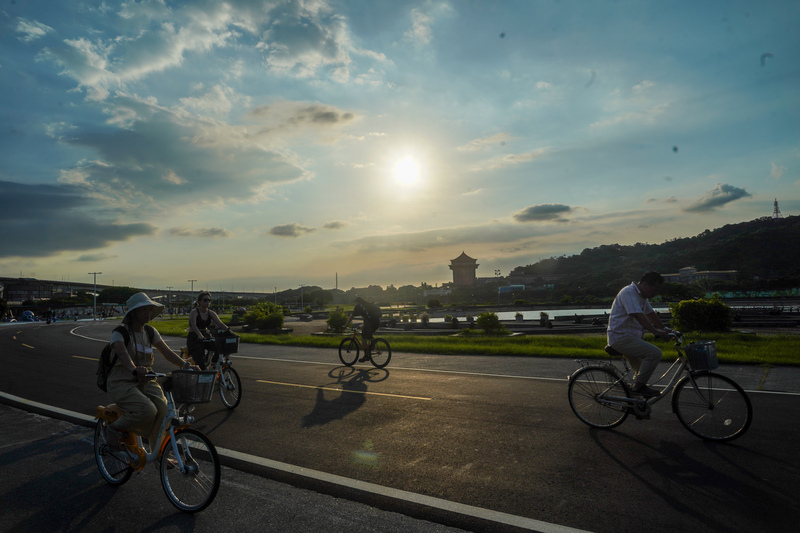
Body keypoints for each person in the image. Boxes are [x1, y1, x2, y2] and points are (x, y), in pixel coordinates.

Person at [106, 292, 197, 451]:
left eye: (150, 310)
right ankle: (112, 428)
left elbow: (167, 352)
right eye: (144, 310)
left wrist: (186, 365)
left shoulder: (150, 331)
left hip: (147, 379)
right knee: (147, 409)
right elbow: (122, 353)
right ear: (133, 312)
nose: (148, 313)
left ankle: (157, 453)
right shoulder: (120, 332)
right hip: (122, 382)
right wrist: (134, 369)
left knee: (164, 410)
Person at [607, 271, 671, 397]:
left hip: (630, 339)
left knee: (641, 374)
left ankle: (633, 404)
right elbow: (637, 314)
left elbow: (650, 314)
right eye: (654, 289)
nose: (656, 293)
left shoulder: (642, 296)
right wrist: (655, 331)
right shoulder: (628, 292)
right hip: (620, 338)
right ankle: (638, 388)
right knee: (654, 353)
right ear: (645, 285)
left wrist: (665, 329)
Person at [186, 291, 232, 369]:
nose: (207, 302)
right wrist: (199, 335)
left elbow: (220, 323)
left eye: (209, 300)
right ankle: (202, 372)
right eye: (205, 300)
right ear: (199, 302)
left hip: (205, 334)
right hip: (194, 336)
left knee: (219, 347)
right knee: (200, 360)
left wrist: (229, 332)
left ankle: (213, 363)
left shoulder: (211, 313)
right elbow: (193, 325)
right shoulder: (194, 312)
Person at [344, 296, 382, 363]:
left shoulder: (359, 306)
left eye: (355, 302)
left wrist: (345, 325)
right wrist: (362, 326)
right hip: (376, 323)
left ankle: (366, 355)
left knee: (363, 337)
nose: (355, 304)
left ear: (358, 302)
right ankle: (370, 347)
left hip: (370, 324)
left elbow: (352, 317)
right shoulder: (367, 305)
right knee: (365, 330)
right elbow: (369, 318)